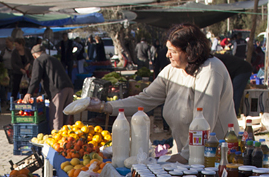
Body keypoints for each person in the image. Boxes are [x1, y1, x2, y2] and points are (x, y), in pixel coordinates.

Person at [89, 23, 236, 162]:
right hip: (187, 155)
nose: (167, 55)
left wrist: (185, 156)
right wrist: (105, 107)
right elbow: (145, 99)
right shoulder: (172, 71)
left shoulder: (209, 71)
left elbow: (204, 120)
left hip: (215, 156)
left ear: (190, 52)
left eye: (173, 51)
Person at [27, 43, 74, 131]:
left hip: (58, 91)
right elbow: (53, 77)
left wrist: (29, 92)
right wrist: (45, 95)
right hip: (69, 88)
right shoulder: (53, 59)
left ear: (34, 55)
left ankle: (57, 140)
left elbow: (36, 77)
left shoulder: (39, 60)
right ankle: (67, 141)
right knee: (66, 119)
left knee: (57, 119)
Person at [216, 50, 254, 118]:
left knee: (235, 93)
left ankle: (233, 115)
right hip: (236, 71)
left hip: (243, 70)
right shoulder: (215, 59)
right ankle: (231, 114)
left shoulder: (214, 61)